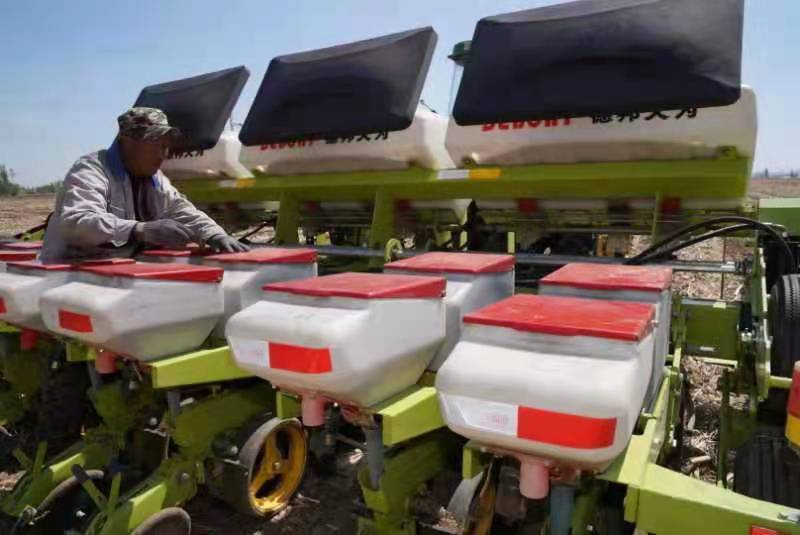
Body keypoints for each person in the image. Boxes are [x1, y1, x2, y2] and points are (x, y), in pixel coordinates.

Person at [40, 107, 249, 263]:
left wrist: (214, 234)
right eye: (158, 145)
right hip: (69, 271)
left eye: (166, 147)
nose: (164, 155)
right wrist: (140, 229)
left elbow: (182, 210)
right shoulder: (92, 169)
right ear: (128, 142)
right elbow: (77, 222)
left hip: (116, 271)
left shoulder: (155, 177)